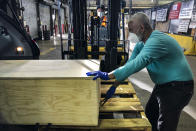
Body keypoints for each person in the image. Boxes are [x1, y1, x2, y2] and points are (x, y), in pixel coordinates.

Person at [86, 12, 194, 131]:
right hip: (163, 85)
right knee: (151, 113)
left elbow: (138, 64)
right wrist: (114, 85)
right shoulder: (141, 44)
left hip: (179, 88)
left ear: (142, 28)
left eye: (132, 31)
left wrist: (107, 75)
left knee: (165, 125)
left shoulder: (156, 41)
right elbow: (129, 66)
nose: (131, 34)